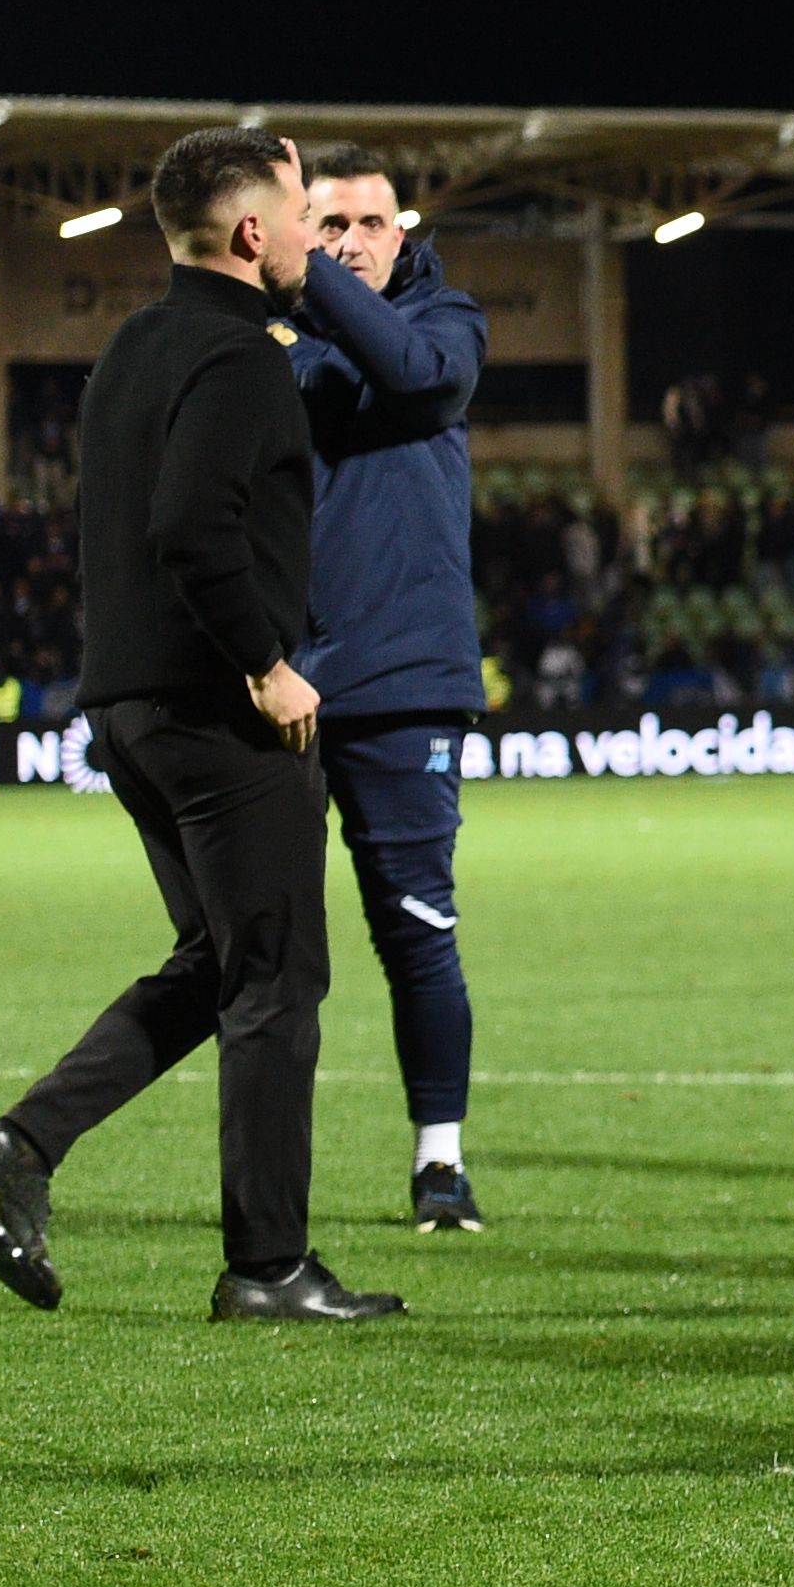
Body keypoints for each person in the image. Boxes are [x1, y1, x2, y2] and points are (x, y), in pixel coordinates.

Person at [0, 129, 398, 1322]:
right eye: (301, 211)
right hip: (219, 710)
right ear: (253, 233)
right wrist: (268, 664)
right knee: (279, 977)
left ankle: (21, 1147)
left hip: (129, 705)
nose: (316, 236)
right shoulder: (241, 357)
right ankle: (268, 1267)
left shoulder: (136, 345)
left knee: (219, 963)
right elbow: (193, 530)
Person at [282, 142, 494, 1230]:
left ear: (400, 234)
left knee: (416, 929)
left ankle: (440, 1162)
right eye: (328, 225)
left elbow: (406, 373)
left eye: (369, 224)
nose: (351, 243)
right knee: (260, 950)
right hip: (271, 686)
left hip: (404, 683)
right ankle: (271, 1193)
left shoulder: (450, 325)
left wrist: (302, 271)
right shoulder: (260, 341)